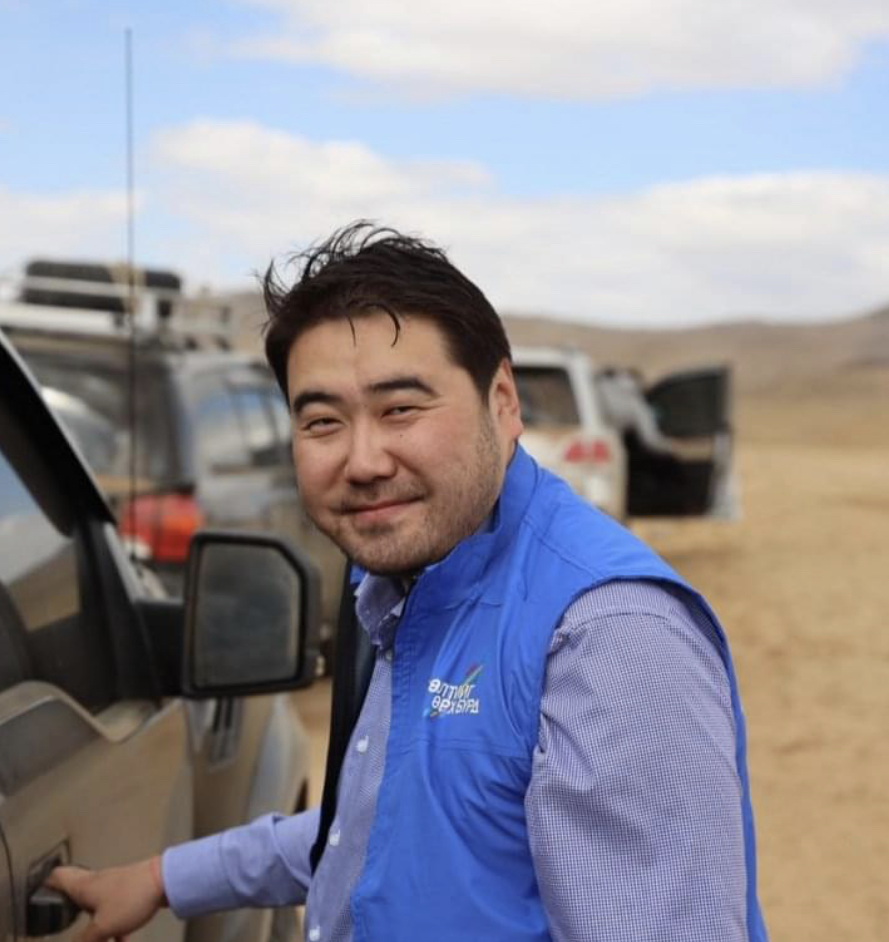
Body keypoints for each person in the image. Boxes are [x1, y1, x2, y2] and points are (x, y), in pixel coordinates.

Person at [49, 223, 768, 942]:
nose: (363, 461)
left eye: (400, 409)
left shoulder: (607, 634)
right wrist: (163, 879)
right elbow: (387, 825)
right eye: (323, 421)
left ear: (503, 402)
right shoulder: (403, 580)